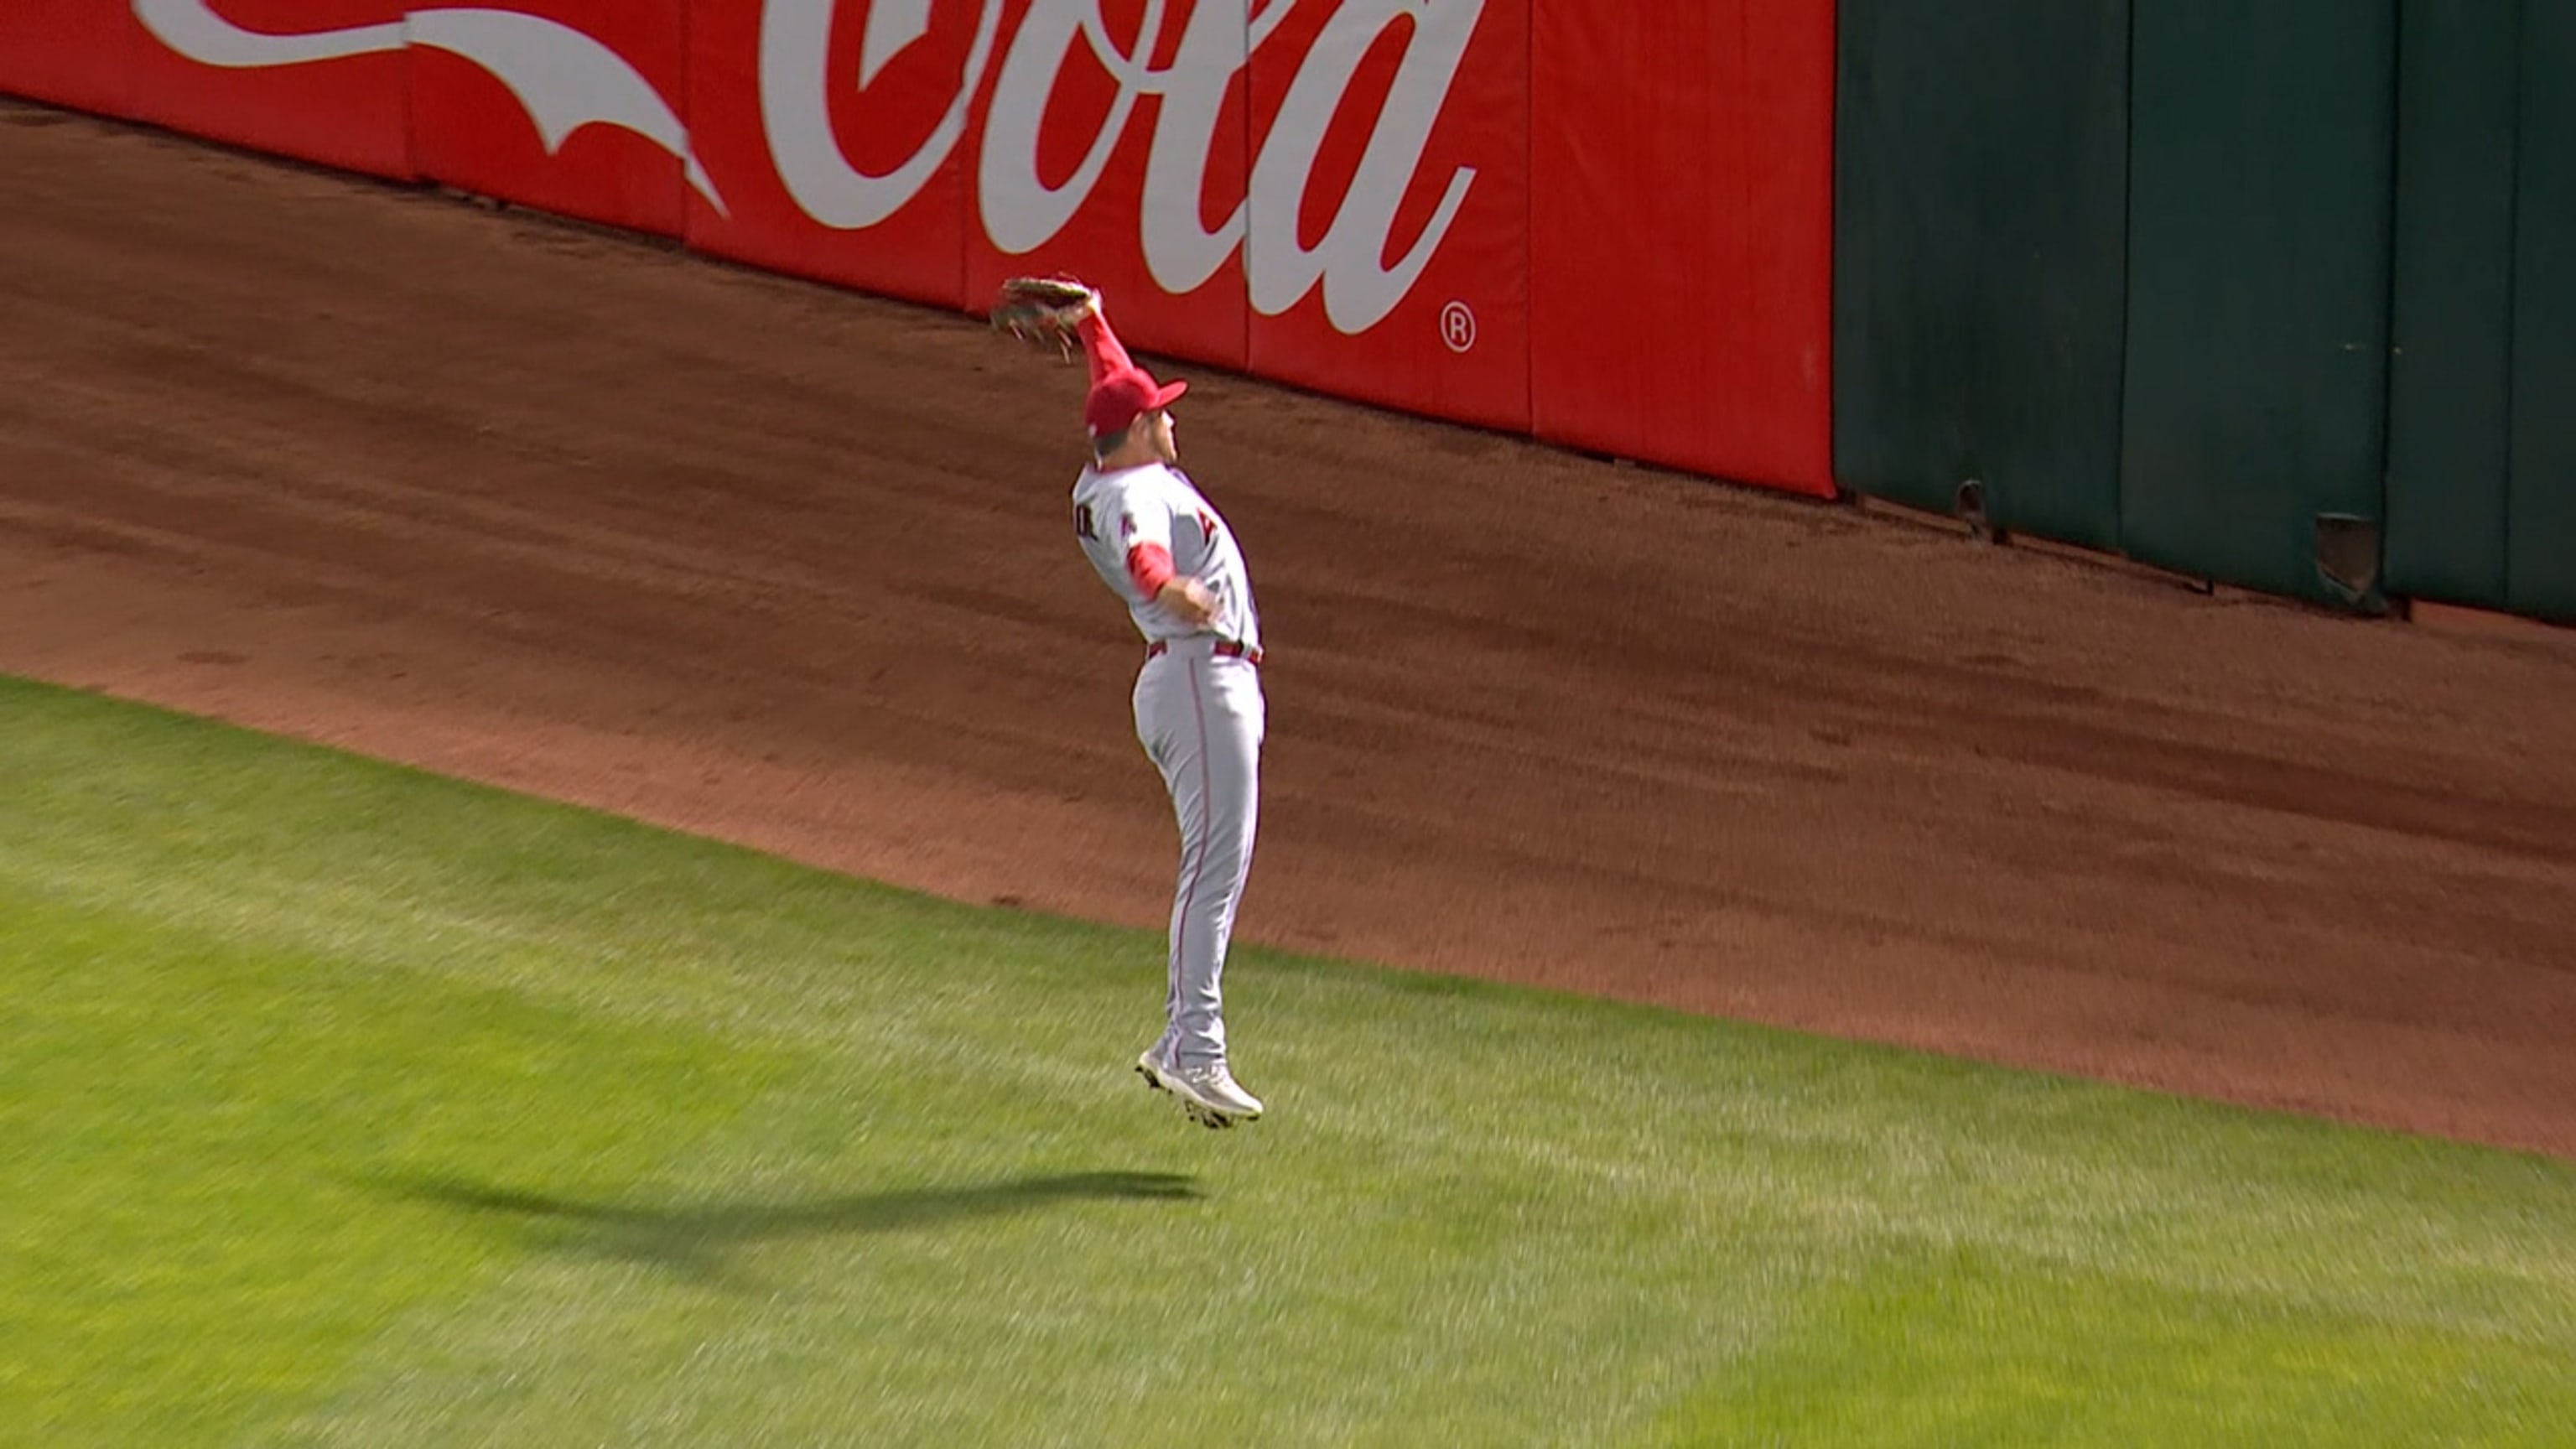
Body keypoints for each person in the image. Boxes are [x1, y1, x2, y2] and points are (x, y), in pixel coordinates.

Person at [1063, 288, 1267, 1130]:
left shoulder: (1108, 468)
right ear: (1142, 432)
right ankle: (1194, 1048)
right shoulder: (1134, 494)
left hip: (1188, 678)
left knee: (1216, 865)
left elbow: (1114, 386)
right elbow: (1143, 550)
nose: (1173, 422)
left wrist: (1091, 324)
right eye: (1163, 414)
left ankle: (1190, 1042)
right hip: (1194, 677)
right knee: (1213, 869)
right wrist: (1167, 586)